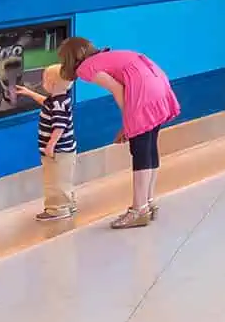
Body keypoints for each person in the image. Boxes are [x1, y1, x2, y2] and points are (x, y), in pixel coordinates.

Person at [60, 37, 181, 230]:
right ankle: (148, 203)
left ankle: (138, 210)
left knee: (140, 149)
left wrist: (128, 122)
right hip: (158, 83)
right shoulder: (107, 55)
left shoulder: (86, 68)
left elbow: (118, 88)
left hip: (142, 91)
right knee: (149, 146)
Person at [12, 56, 80, 221]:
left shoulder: (57, 104)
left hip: (57, 152)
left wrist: (50, 145)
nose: (42, 83)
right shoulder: (60, 99)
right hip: (65, 150)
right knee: (63, 180)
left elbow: (59, 126)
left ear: (53, 85)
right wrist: (30, 93)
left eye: (44, 80)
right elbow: (45, 103)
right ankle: (68, 204)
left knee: (54, 182)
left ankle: (57, 209)